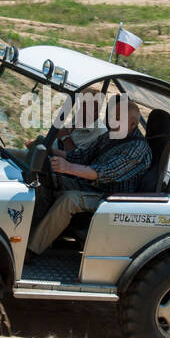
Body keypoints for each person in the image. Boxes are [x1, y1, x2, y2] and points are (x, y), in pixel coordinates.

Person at [27, 95, 152, 256]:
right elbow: (79, 156)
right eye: (112, 117)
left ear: (133, 124)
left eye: (118, 119)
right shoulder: (111, 136)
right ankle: (29, 231)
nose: (113, 122)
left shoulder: (138, 148)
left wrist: (68, 168)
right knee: (44, 178)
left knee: (69, 199)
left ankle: (31, 249)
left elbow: (104, 172)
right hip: (89, 186)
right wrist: (48, 150)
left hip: (109, 198)